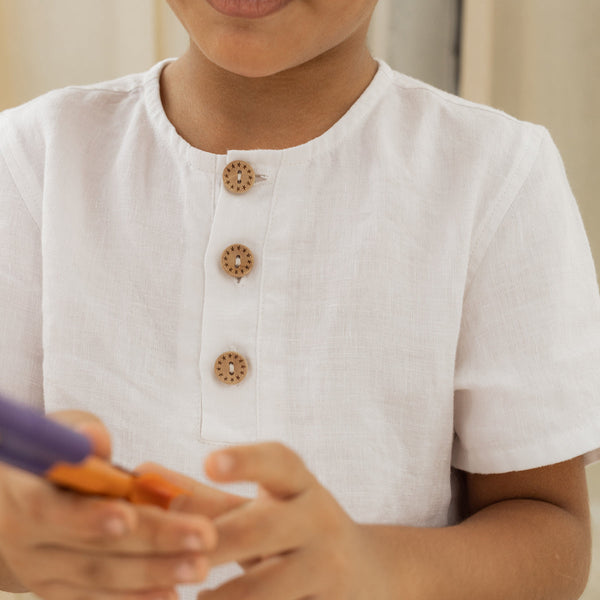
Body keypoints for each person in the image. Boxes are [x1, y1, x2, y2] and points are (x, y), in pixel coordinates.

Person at [1, 0, 599, 599]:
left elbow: (551, 532)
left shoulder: (495, 174)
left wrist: (381, 566)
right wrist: (24, 542)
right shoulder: (32, 161)